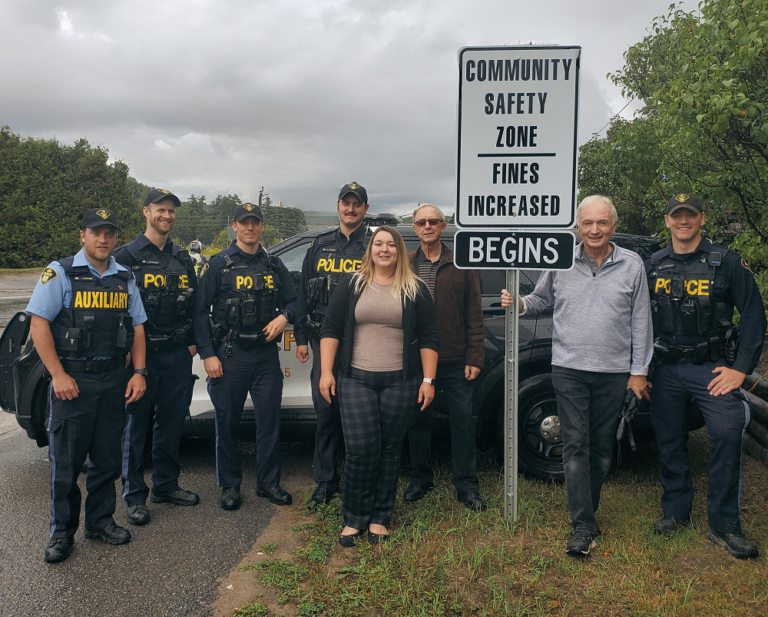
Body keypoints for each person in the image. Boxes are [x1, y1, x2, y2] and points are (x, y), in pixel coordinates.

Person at [501, 195, 653, 556]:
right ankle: (583, 523)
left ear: (613, 226)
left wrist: (639, 371)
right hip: (568, 367)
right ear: (577, 227)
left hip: (614, 371)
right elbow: (540, 299)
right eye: (588, 223)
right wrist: (519, 303)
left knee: (601, 449)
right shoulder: (560, 259)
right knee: (574, 445)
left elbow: (641, 320)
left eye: (602, 223)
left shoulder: (632, 265)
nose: (595, 229)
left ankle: (588, 504)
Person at [645, 193, 766, 559]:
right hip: (664, 367)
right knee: (668, 439)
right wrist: (641, 368)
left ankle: (724, 524)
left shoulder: (725, 262)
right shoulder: (653, 264)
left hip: (710, 368)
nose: (683, 221)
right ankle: (676, 512)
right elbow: (638, 318)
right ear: (667, 221)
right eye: (676, 215)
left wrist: (740, 369)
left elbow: (753, 315)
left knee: (727, 432)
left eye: (690, 215)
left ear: (701, 219)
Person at [26, 209, 148, 563]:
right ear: (83, 236)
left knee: (107, 459)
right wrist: (58, 375)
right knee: (66, 464)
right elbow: (39, 326)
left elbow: (137, 327)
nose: (103, 239)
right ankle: (61, 534)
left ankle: (100, 521)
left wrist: (138, 372)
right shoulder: (61, 272)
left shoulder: (124, 278)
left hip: (114, 380)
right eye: (96, 233)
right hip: (73, 383)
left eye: (109, 233)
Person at [319, 226, 439, 546]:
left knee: (388, 450)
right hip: (355, 378)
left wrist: (428, 380)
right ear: (370, 249)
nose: (384, 250)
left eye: (391, 245)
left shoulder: (415, 288)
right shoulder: (352, 283)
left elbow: (429, 336)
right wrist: (326, 372)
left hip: (401, 381)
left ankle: (380, 517)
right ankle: (354, 517)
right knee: (360, 449)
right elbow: (330, 328)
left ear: (399, 251)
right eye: (378, 244)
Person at [194, 202, 297, 511]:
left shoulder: (275, 265)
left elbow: (293, 300)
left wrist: (285, 317)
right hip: (230, 353)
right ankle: (229, 485)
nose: (250, 227)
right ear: (235, 227)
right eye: (244, 223)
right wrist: (207, 355)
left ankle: (268, 483)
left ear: (262, 227)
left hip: (266, 355)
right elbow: (199, 312)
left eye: (255, 222)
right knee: (226, 422)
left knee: (269, 423)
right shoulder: (218, 265)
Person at [115, 189, 200, 527]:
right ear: (146, 212)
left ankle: (165, 485)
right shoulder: (126, 256)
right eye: (161, 210)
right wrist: (125, 354)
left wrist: (192, 345)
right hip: (142, 356)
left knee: (171, 422)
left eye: (172, 211)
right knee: (136, 426)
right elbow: (115, 306)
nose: (167, 216)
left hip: (177, 354)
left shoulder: (181, 258)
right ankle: (135, 497)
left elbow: (194, 304)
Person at [403, 204, 486, 510]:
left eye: (433, 221)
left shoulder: (461, 264)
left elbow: (475, 313)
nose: (427, 226)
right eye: (421, 222)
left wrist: (475, 357)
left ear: (443, 225)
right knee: (417, 422)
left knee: (463, 422)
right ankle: (420, 478)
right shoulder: (406, 266)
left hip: (455, 360)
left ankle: (466, 485)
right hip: (416, 360)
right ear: (414, 228)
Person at [294, 182, 370, 507]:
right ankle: (325, 483)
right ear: (338, 205)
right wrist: (299, 338)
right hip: (324, 342)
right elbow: (301, 294)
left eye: (357, 204)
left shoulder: (373, 245)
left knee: (359, 416)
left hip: (363, 344)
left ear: (365, 208)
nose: (351, 209)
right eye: (346, 203)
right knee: (325, 412)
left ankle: (358, 481)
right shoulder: (319, 245)